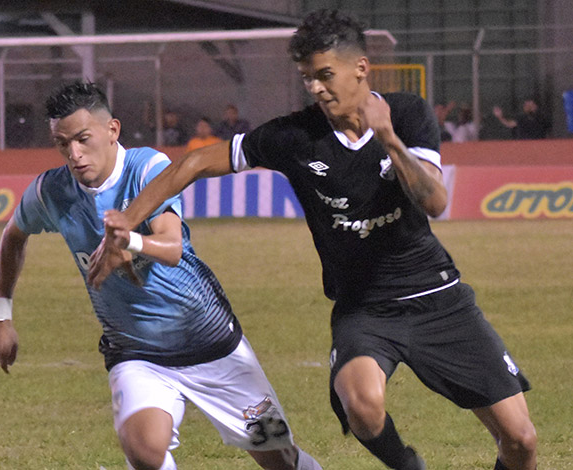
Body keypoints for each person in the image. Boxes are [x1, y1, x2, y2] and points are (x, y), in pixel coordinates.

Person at [88, 10, 537, 470]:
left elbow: (435, 201)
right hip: (364, 310)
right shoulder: (295, 136)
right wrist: (127, 219)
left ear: (360, 68)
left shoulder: (406, 113)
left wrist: (388, 137)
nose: (317, 89)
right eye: (307, 79)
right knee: (360, 404)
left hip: (438, 298)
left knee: (521, 441)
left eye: (325, 75)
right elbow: (194, 164)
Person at [0, 82, 323, 470]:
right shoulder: (52, 191)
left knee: (280, 460)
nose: (74, 155)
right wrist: (1, 316)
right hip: (136, 353)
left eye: (83, 139)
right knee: (145, 451)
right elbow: (13, 236)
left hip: (212, 344)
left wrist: (128, 242)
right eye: (63, 144)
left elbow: (172, 245)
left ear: (112, 130)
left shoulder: (147, 167)